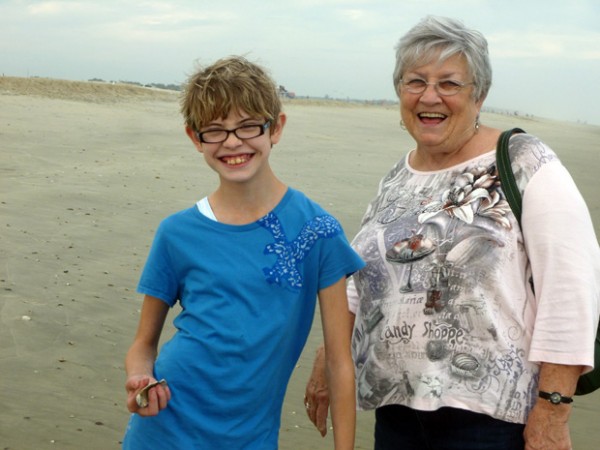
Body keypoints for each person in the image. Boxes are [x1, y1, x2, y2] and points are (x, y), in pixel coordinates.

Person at [304, 15, 600, 450]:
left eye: (449, 84)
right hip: (397, 410)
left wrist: (553, 409)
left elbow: (572, 286)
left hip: (493, 422)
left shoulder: (524, 161)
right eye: (415, 81)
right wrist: (328, 358)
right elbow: (362, 275)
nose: (429, 96)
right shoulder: (399, 176)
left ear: (478, 94)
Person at [121, 56, 364, 450]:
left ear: (276, 128)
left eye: (249, 126)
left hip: (249, 437)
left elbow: (339, 362)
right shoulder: (176, 233)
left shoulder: (317, 230)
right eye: (215, 131)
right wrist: (140, 379)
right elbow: (143, 345)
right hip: (163, 430)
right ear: (194, 138)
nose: (233, 142)